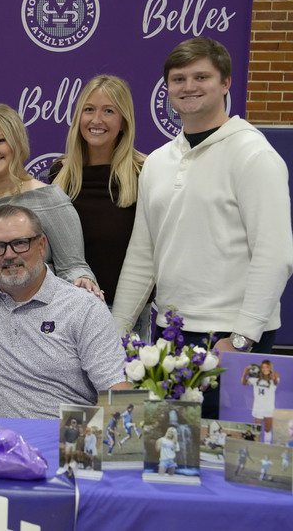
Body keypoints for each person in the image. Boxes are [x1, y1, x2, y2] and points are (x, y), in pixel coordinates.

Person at [111, 38, 293, 419]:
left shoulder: (254, 155)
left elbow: (274, 255)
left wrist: (242, 338)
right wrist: (116, 329)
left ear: (225, 83)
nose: (188, 86)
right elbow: (143, 255)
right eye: (178, 79)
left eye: (201, 76)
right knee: (173, 455)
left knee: (229, 456)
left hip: (232, 337)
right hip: (169, 334)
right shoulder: (159, 161)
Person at [0, 205, 129, 419]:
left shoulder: (84, 308)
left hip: (69, 444)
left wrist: (73, 448)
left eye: (20, 243)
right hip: (2, 448)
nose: (9, 255)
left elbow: (119, 393)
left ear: (41, 245)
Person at [0, 103, 100, 295]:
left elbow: (73, 267)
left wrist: (83, 281)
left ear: (17, 142)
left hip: (37, 319)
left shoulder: (49, 198)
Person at [49, 75, 151, 339]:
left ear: (124, 121)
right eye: (89, 110)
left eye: (109, 111)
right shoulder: (60, 173)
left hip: (126, 313)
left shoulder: (145, 172)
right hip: (69, 311)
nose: (96, 120)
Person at [242, 360, 279, 443]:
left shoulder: (274, 379)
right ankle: (257, 445)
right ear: (260, 368)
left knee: (267, 429)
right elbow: (244, 382)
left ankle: (267, 445)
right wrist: (245, 374)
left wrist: (275, 377)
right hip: (257, 408)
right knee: (257, 430)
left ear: (270, 368)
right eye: (263, 367)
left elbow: (276, 382)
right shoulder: (255, 380)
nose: (265, 369)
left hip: (269, 409)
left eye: (267, 367)